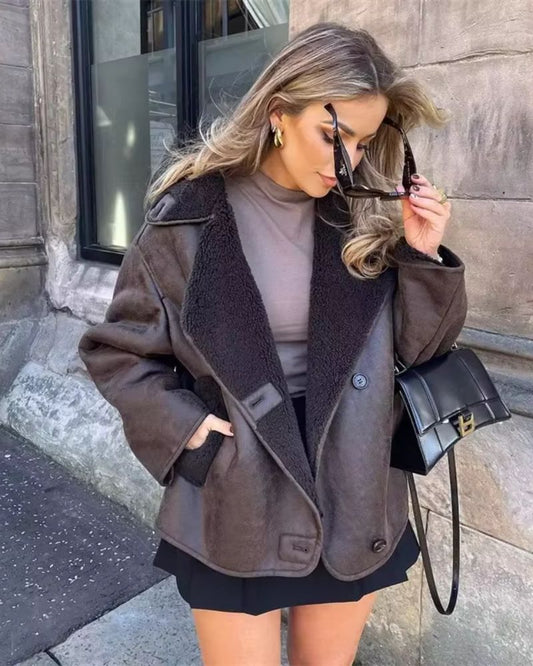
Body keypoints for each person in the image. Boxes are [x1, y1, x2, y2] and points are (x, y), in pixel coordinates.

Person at [78, 22, 467, 666]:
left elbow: (420, 353)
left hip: (353, 478)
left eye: (363, 142)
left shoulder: (362, 218)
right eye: (334, 136)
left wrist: (422, 256)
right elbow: (117, 351)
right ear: (279, 113)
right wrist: (189, 433)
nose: (347, 161)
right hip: (243, 482)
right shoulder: (186, 220)